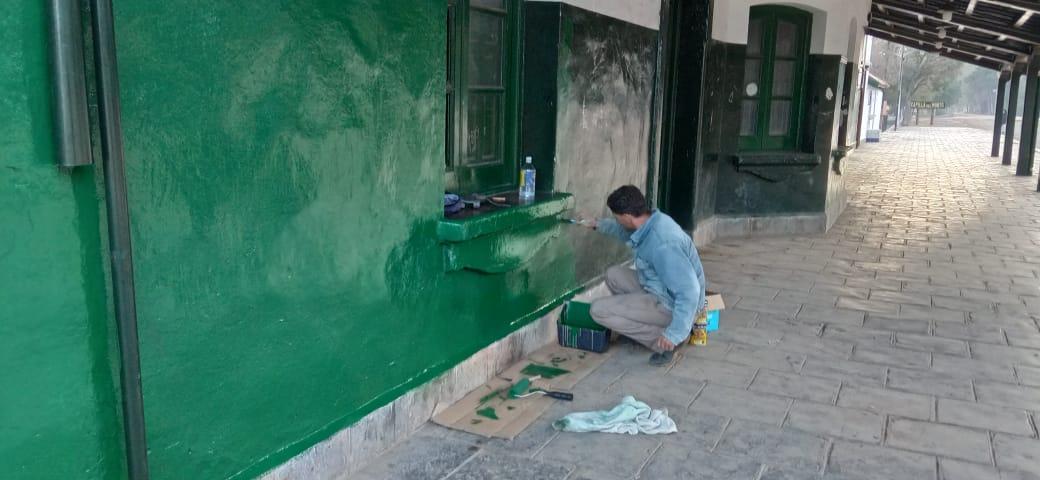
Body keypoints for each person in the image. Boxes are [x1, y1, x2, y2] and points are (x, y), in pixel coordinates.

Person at [582, 185, 706, 366]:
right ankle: (647, 323)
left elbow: (689, 292)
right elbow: (625, 232)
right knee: (613, 275)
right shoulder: (650, 222)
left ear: (626, 216)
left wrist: (674, 333)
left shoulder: (663, 243)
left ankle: (664, 342)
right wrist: (597, 225)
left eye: (617, 218)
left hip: (673, 304)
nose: (617, 221)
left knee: (598, 310)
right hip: (658, 287)